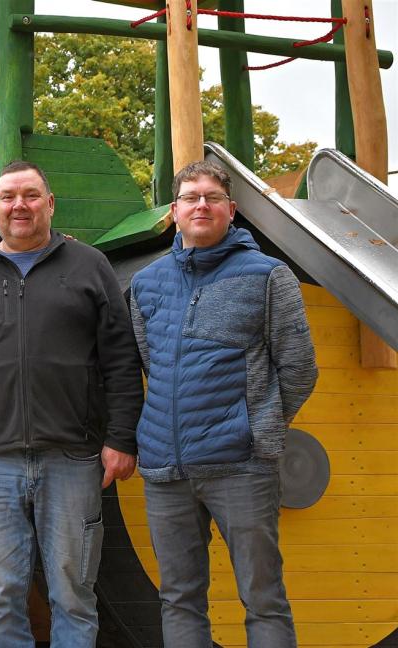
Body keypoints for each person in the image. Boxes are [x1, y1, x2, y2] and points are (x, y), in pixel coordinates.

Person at [0, 160, 144, 646]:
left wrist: (121, 438)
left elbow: (120, 359)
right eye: (8, 197)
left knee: (73, 593)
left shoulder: (90, 266)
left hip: (73, 458)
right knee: (1, 593)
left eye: (30, 195)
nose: (19, 205)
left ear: (50, 203)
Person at [129, 160, 317, 648]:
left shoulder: (268, 276)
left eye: (212, 197)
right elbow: (152, 363)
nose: (201, 205)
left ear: (231, 210)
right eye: (190, 197)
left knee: (263, 598)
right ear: (174, 211)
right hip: (165, 470)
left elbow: (299, 367)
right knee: (179, 598)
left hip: (241, 467)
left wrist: (258, 425)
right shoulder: (146, 283)